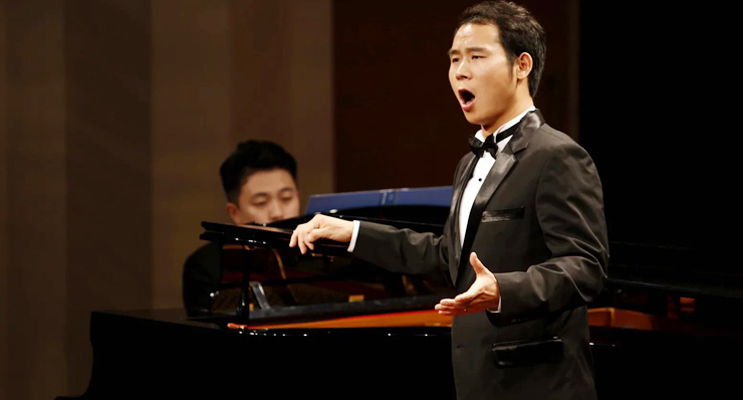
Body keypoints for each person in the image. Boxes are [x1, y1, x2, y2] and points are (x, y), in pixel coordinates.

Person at [290, 1, 609, 399]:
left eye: (477, 56)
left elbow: (586, 266)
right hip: (477, 381)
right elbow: (448, 257)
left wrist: (503, 290)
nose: (460, 71)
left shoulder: (557, 156)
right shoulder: (468, 164)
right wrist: (353, 232)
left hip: (536, 384)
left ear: (521, 66)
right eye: (455, 58)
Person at [182, 140, 301, 315]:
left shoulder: (323, 254)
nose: (277, 213)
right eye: (261, 202)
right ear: (234, 212)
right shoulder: (208, 267)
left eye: (286, 198)